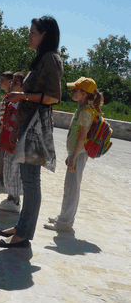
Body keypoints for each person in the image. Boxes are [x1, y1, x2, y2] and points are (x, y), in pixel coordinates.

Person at [0, 16, 63, 248]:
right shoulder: (43, 58)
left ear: (45, 35)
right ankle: (21, 227)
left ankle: (23, 234)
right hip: (30, 125)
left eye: (33, 32)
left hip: (35, 128)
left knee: (31, 183)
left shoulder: (50, 59)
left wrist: (22, 96)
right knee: (28, 180)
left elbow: (54, 97)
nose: (29, 35)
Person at [44, 77, 103, 232]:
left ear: (84, 93)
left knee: (71, 189)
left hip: (79, 155)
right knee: (70, 187)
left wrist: (74, 157)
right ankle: (64, 217)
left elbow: (82, 137)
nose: (72, 92)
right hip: (76, 154)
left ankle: (65, 222)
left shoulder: (85, 112)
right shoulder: (82, 110)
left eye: (76, 90)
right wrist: (71, 155)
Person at [0, 72, 26, 213]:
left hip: (15, 146)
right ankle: (9, 198)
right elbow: (5, 122)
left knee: (15, 173)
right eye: (12, 82)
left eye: (16, 83)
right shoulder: (10, 103)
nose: (11, 85)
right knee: (7, 171)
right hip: (6, 143)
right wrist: (0, 138)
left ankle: (15, 201)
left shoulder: (23, 106)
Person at [0, 71, 14, 184]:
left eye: (2, 80)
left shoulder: (11, 97)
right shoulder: (7, 96)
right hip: (4, 128)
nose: (0, 82)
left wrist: (3, 127)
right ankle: (2, 174)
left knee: (3, 150)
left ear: (10, 82)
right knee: (0, 150)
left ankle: (5, 176)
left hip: (7, 129)